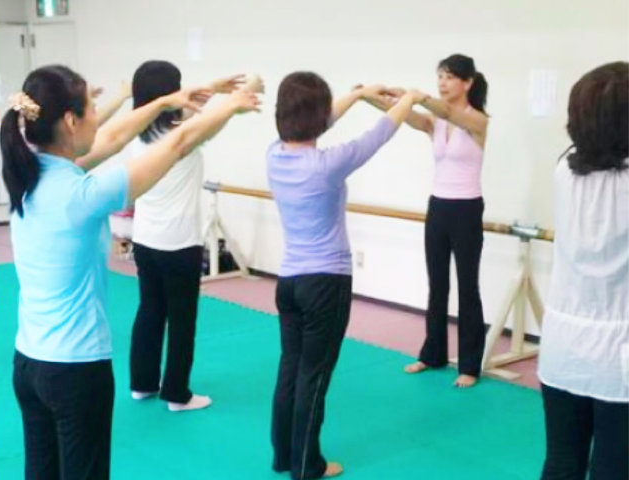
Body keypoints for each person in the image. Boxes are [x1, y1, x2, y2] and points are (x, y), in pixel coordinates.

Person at [1, 64, 259, 479]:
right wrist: (231, 106)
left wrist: (165, 102)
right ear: (70, 121)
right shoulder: (82, 194)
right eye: (91, 108)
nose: (98, 118)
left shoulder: (28, 169)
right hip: (74, 371)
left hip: (29, 363)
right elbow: (178, 144)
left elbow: (116, 138)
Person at [268, 71, 421, 479]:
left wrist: (357, 95)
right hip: (325, 283)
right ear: (318, 116)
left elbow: (316, 122)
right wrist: (410, 98)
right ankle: (307, 465)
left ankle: (284, 455)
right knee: (314, 376)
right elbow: (380, 133)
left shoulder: (274, 155)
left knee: (291, 368)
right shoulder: (326, 165)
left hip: (289, 283)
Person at [127, 60, 251, 411]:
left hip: (145, 240)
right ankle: (177, 394)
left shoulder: (135, 133)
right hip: (178, 244)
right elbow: (209, 122)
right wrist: (234, 101)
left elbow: (185, 110)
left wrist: (215, 87)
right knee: (182, 320)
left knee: (150, 309)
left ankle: (143, 384)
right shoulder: (182, 136)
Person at [368, 53, 489, 387]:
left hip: (467, 209)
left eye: (449, 77)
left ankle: (469, 365)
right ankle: (433, 354)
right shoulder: (434, 122)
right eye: (440, 77)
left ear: (468, 82)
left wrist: (419, 96)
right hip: (438, 207)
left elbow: (449, 112)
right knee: (437, 284)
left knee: (468, 286)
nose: (443, 83)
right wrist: (370, 97)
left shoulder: (478, 120)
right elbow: (404, 114)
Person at [537, 61, 628, 480]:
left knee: (562, 462)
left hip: (563, 348)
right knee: (612, 469)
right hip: (618, 359)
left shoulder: (564, 171)